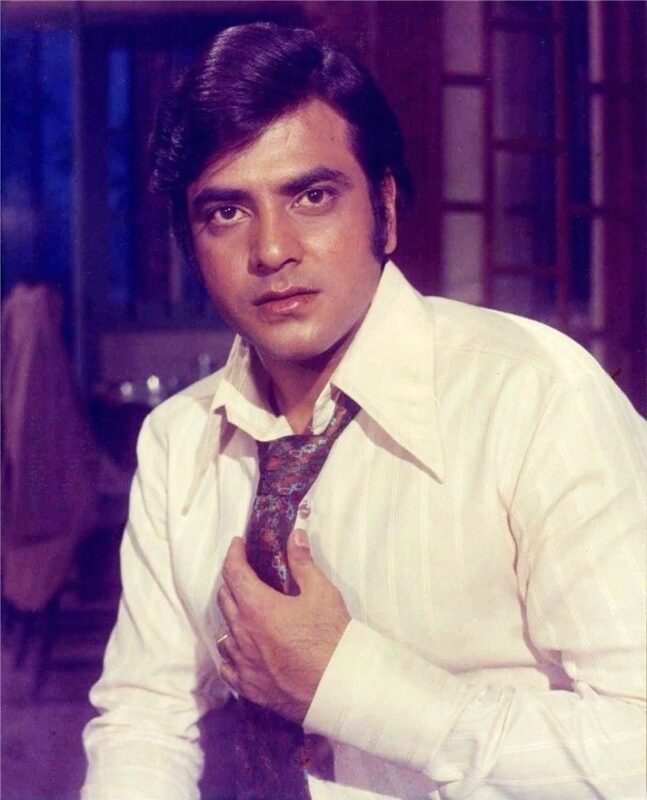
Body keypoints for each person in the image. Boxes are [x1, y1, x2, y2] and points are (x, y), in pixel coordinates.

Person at [82, 22, 646, 800]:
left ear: (383, 207)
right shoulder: (178, 440)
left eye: (311, 196)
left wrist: (349, 683)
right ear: (190, 240)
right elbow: (145, 718)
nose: (271, 249)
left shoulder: (535, 398)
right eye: (226, 212)